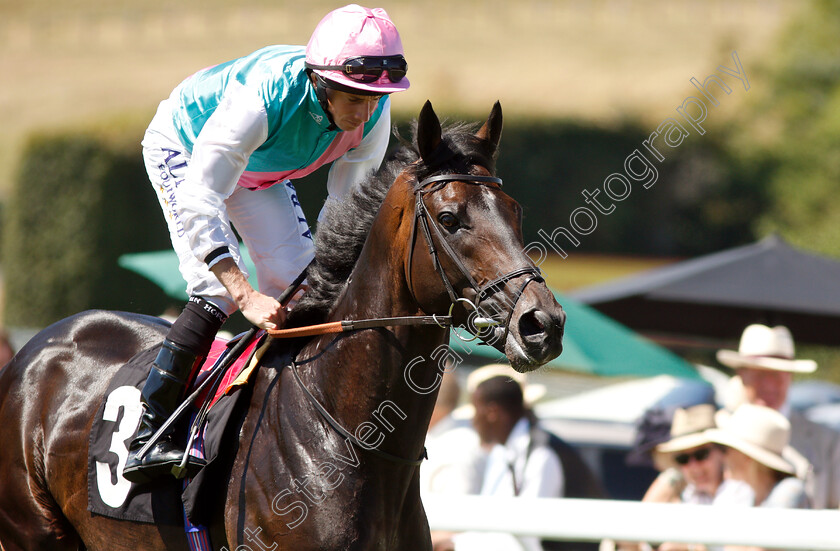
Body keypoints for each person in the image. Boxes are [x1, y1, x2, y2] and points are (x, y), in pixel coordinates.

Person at [123, 4, 410, 483]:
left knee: (301, 289)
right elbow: (200, 197)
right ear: (321, 81)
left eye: (376, 96)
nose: (365, 110)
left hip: (256, 170)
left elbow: (342, 219)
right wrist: (246, 294)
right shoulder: (263, 97)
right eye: (355, 95)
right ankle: (150, 434)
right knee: (214, 288)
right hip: (188, 148)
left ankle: (280, 414)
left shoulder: (373, 113)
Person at [434, 370, 564, 551]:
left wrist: (456, 544)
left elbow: (527, 535)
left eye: (475, 410)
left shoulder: (540, 456)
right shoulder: (504, 453)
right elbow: (490, 521)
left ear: (492, 412)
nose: (473, 421)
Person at [716, 324, 840, 509]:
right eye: (758, 373)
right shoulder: (718, 435)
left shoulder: (826, 442)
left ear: (790, 376)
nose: (768, 384)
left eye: (776, 374)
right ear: (741, 374)